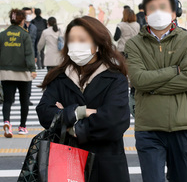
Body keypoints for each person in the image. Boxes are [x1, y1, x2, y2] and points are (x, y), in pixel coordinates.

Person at [36, 16, 130, 182]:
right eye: (72, 40)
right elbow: (44, 112)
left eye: (82, 40)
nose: (76, 45)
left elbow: (113, 122)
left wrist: (70, 125)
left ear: (97, 44)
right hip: (66, 165)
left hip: (106, 167)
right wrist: (81, 112)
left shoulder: (115, 79)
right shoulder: (59, 78)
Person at [124, 0, 187, 182]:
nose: (158, 12)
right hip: (148, 128)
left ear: (175, 12)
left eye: (163, 7)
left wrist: (151, 87)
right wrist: (174, 70)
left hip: (182, 125)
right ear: (145, 13)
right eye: (152, 8)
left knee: (183, 178)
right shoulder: (134, 44)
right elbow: (138, 80)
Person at [0, 9, 37, 138]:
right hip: (23, 73)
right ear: (21, 20)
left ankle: (7, 123)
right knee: (24, 101)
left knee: (7, 101)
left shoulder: (2, 34)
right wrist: (32, 69)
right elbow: (28, 54)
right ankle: (22, 127)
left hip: (6, 72)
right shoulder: (24, 34)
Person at [22, 7, 37, 106]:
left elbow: (35, 42)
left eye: (29, 13)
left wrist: (35, 55)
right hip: (20, 55)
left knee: (29, 77)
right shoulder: (19, 27)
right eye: (26, 13)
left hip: (30, 55)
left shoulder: (34, 27)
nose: (28, 15)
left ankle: (27, 98)